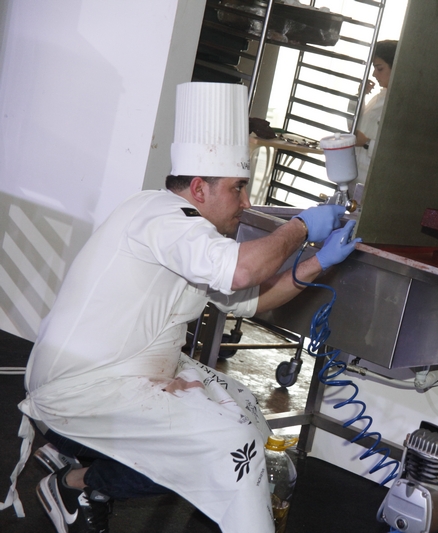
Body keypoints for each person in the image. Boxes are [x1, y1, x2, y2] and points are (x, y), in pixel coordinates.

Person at [2, 82, 360, 533]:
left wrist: (319, 264)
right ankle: (78, 474)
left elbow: (253, 299)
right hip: (81, 386)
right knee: (221, 446)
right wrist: (301, 225)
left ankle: (74, 473)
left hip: (132, 375)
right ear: (198, 188)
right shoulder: (163, 218)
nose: (246, 203)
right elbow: (240, 274)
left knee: (244, 412)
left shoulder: (188, 232)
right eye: (238, 189)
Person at [352, 40, 398, 193]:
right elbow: (355, 128)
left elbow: (396, 148)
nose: (374, 74)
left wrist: (366, 143)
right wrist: (359, 97)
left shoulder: (398, 104)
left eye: (379, 68)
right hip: (356, 177)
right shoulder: (378, 98)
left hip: (375, 183)